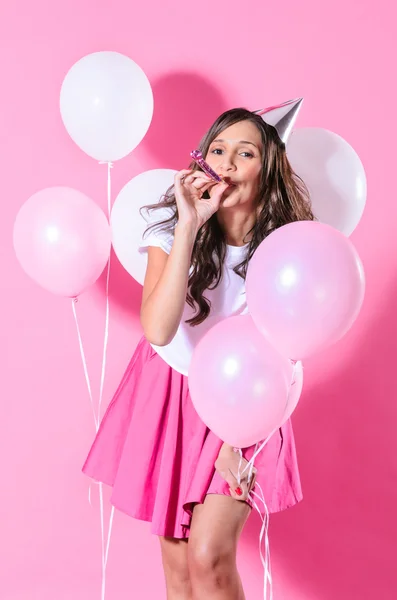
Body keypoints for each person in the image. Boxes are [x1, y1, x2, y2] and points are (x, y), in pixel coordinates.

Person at [83, 107, 314, 600]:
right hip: (171, 396)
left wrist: (240, 437)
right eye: (218, 150)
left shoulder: (286, 247)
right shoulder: (169, 231)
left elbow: (288, 352)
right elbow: (159, 328)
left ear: (268, 167)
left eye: (245, 153)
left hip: (250, 401)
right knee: (180, 568)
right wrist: (190, 223)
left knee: (208, 554)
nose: (227, 163)